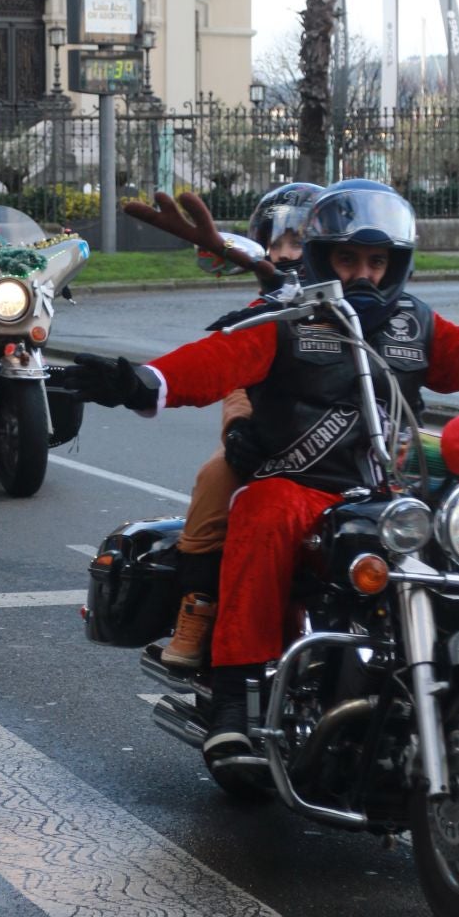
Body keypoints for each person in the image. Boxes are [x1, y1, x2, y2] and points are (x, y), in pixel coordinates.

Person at [65, 180, 459, 753]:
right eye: (349, 258)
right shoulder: (285, 317)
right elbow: (211, 361)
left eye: (377, 262)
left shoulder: (415, 324)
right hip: (307, 486)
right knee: (261, 507)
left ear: (396, 264)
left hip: (397, 492)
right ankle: (237, 692)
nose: (364, 274)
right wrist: (137, 381)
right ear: (322, 257)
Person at [160, 181, 320, 669]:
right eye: (280, 244)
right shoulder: (256, 314)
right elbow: (235, 383)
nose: (289, 254)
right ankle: (198, 606)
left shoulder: (357, 311)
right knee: (216, 478)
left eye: (300, 243)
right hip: (271, 441)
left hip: (342, 448)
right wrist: (238, 432)